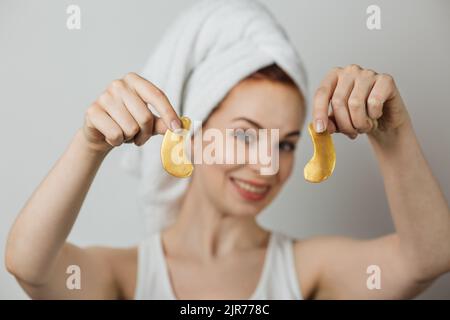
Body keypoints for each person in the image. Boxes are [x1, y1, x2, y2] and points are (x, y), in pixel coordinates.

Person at [5, 0, 450, 300]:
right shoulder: (126, 276)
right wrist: (89, 145)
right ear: (190, 136)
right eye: (244, 134)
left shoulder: (307, 270)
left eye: (287, 143)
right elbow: (28, 265)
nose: (267, 163)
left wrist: (393, 132)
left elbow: (430, 258)